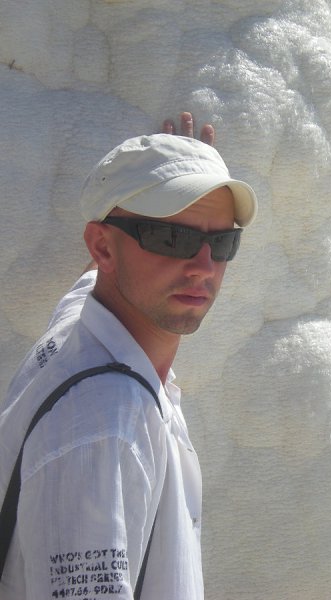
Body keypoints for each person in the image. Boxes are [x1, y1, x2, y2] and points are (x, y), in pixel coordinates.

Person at [0, 112, 257, 600]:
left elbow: (92, 280)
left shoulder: (80, 327)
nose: (203, 267)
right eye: (172, 238)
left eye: (222, 242)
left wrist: (180, 168)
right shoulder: (106, 429)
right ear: (102, 247)